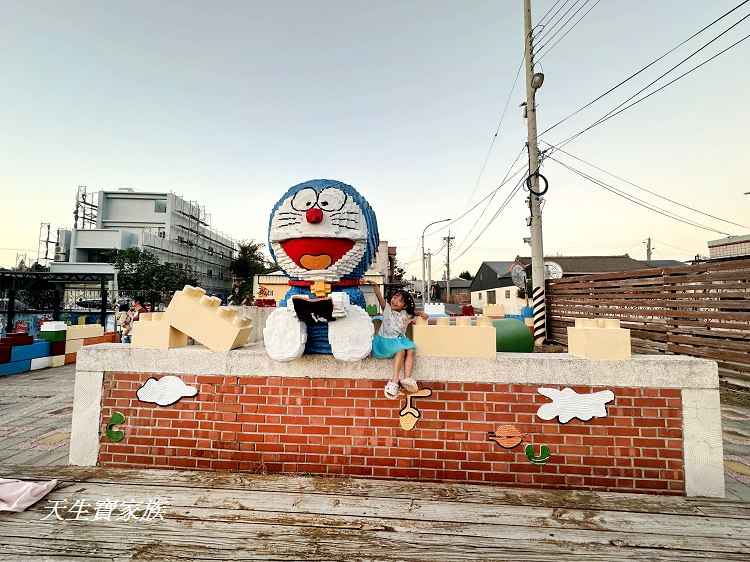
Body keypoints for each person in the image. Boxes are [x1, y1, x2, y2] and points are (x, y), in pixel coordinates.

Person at [367, 281, 429, 399]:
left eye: (400, 301)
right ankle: (395, 380)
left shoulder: (406, 314)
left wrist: (421, 313)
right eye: (395, 298)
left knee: (410, 349)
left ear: (404, 306)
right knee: (400, 350)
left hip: (398, 340)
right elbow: (380, 298)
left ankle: (407, 379)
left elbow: (414, 312)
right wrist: (375, 286)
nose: (395, 301)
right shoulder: (387, 309)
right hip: (385, 341)